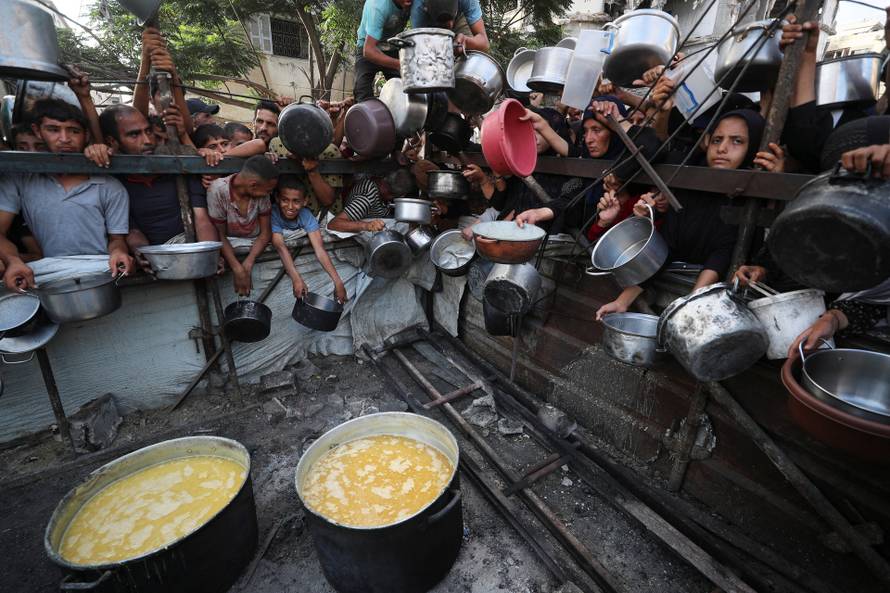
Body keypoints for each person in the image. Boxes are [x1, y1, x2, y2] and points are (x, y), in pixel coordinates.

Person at [595, 109, 785, 320]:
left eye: (737, 141)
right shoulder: (691, 182)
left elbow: (723, 251)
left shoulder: (754, 196)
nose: (722, 149)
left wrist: (690, 305)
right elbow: (668, 244)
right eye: (717, 140)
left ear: (754, 148)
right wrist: (622, 301)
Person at [0, 99, 133, 290]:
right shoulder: (21, 179)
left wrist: (119, 253)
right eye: (54, 130)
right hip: (48, 271)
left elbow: (117, 240)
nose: (64, 138)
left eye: (74, 131)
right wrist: (13, 260)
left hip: (98, 268)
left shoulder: (110, 187)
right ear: (38, 131)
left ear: (86, 135)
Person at [93, 105, 218, 261]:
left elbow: (201, 219)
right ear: (112, 141)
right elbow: (133, 232)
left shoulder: (181, 168)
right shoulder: (115, 183)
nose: (147, 141)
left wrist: (210, 255)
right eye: (134, 135)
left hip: (191, 248)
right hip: (156, 257)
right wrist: (143, 254)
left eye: (148, 131)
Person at [271, 175, 348, 303]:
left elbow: (320, 249)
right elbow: (279, 245)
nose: (290, 206)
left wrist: (338, 282)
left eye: (296, 201)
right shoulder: (273, 213)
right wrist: (296, 279)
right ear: (277, 198)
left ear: (305, 201)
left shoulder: (306, 216)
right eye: (285, 200)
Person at [207, 156, 277, 295]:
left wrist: (249, 262)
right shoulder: (217, 190)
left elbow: (265, 233)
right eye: (268, 190)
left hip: (254, 243)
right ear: (253, 185)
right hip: (229, 244)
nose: (270, 194)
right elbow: (218, 235)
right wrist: (237, 268)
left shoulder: (262, 196)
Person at [353, 0, 412, 102]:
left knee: (407, 91)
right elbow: (368, 51)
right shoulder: (377, 6)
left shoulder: (414, 3)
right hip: (368, 47)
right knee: (362, 91)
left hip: (392, 46)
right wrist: (398, 64)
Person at [327, 169, 413, 233]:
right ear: (388, 191)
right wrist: (366, 225)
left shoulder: (379, 182)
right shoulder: (368, 197)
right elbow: (334, 224)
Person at [411, 0, 489, 52]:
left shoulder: (468, 1)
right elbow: (419, 49)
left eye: (450, 19)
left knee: (470, 54)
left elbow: (484, 43)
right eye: (443, 22)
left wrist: (467, 41)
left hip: (460, 18)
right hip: (430, 24)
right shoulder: (418, 9)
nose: (450, 25)